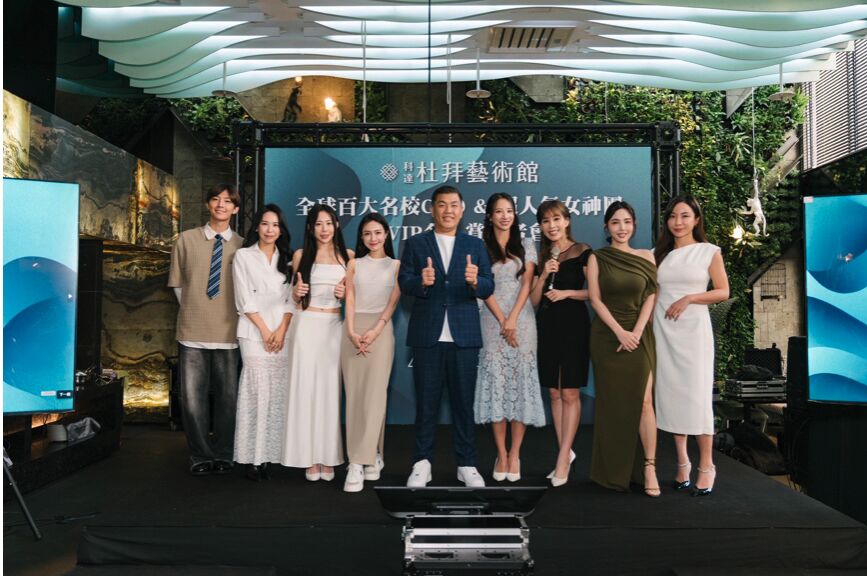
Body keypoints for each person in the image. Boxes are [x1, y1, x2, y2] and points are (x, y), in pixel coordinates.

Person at [399, 185, 494, 488]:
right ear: (432, 209)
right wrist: (421, 281)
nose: (448, 210)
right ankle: (422, 463)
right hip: (428, 336)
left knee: (463, 405)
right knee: (426, 404)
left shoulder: (475, 244)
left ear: (462, 210)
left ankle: (466, 464)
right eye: (442, 205)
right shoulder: (416, 243)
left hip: (464, 337)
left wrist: (475, 282)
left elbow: (489, 285)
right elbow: (404, 282)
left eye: (454, 205)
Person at [653, 195, 729, 496]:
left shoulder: (709, 252)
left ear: (696, 219)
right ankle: (682, 462)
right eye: (673, 216)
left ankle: (707, 465)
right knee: (671, 397)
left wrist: (690, 297)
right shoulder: (658, 254)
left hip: (694, 333)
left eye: (685, 216)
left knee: (697, 398)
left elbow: (723, 291)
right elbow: (652, 294)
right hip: (664, 331)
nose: (678, 222)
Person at [168, 184, 244, 476]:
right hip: (192, 330)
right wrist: (195, 308)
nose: (221, 205)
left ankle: (224, 453)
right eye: (215, 199)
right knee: (191, 399)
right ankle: (200, 455)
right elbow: (177, 285)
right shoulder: (185, 240)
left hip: (229, 331)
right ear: (207, 204)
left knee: (228, 398)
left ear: (236, 209)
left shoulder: (244, 246)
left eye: (227, 201)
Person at [587, 201, 660, 497]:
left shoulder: (646, 256)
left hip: (640, 335)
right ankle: (613, 470)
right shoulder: (597, 258)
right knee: (613, 405)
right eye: (615, 222)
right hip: (607, 337)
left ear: (634, 225)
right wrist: (619, 332)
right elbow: (595, 299)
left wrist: (637, 332)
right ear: (606, 226)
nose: (622, 228)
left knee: (644, 402)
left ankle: (649, 467)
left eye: (627, 222)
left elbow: (651, 295)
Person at [474, 193, 545, 484]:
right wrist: (503, 320)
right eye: (499, 211)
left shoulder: (526, 244)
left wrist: (513, 318)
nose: (505, 216)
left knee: (519, 386)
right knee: (498, 386)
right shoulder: (481, 248)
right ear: (489, 216)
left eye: (509, 211)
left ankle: (515, 454)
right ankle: (501, 454)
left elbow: (527, 283)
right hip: (491, 321)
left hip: (523, 320)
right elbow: (481, 286)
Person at [282, 204, 353, 481]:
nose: (324, 229)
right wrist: (296, 293)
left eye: (329, 223)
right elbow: (291, 298)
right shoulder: (301, 255)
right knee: (305, 391)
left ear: (336, 225)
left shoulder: (348, 257)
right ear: (310, 228)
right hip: (306, 326)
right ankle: (308, 457)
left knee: (329, 392)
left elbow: (357, 299)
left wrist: (346, 294)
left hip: (333, 328)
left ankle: (328, 456)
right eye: (318, 224)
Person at [529, 199, 592, 487]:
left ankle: (563, 457)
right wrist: (544, 274)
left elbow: (595, 293)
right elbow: (533, 301)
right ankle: (565, 452)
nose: (551, 225)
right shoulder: (542, 257)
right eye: (545, 221)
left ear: (567, 221)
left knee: (569, 393)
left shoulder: (583, 251)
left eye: (556, 219)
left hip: (574, 325)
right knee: (554, 393)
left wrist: (567, 293)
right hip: (547, 326)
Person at [232, 204, 294, 482]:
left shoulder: (289, 258)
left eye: (276, 225)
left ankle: (270, 455)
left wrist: (280, 331)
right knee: (256, 393)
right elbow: (244, 299)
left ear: (281, 230)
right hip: (253, 332)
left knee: (276, 395)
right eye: (266, 224)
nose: (270, 229)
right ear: (256, 226)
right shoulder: (243, 256)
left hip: (283, 334)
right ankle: (251, 458)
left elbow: (293, 300)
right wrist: (266, 331)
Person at [340, 213, 401, 492]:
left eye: (377, 232)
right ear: (361, 237)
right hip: (353, 330)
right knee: (355, 397)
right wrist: (352, 331)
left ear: (386, 234)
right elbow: (350, 299)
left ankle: (367, 457)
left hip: (381, 330)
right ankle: (359, 460)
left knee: (375, 397)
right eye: (367, 233)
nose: (373, 238)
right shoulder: (354, 264)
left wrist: (375, 330)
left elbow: (392, 304)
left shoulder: (396, 266)